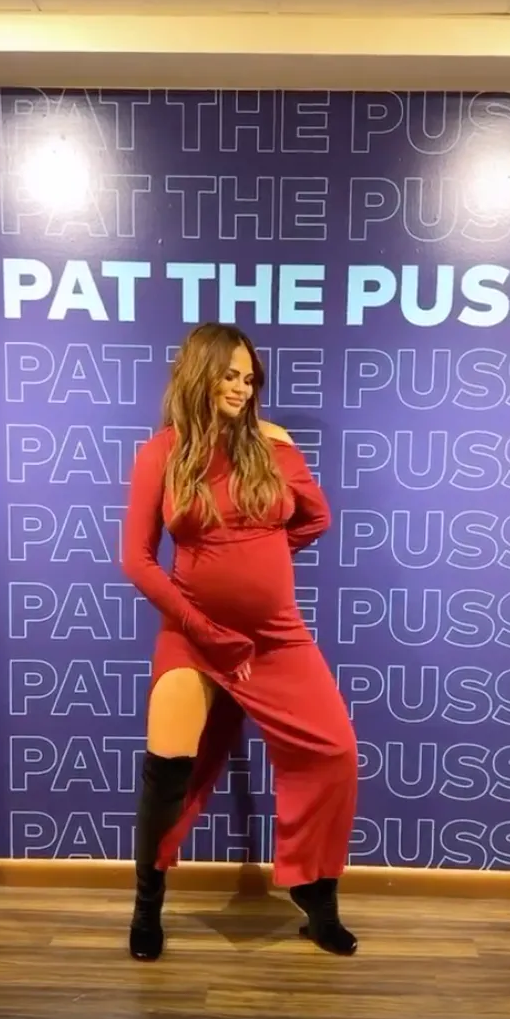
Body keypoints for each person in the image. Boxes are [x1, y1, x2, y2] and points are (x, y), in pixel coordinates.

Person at [120, 321, 359, 961]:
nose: (241, 388)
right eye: (229, 375)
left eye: (249, 378)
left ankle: (318, 901)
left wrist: (259, 556)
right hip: (193, 636)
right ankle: (146, 909)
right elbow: (137, 560)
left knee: (334, 752)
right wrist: (206, 626)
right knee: (169, 770)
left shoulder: (272, 443)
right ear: (198, 374)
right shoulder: (162, 452)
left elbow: (315, 516)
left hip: (276, 637)